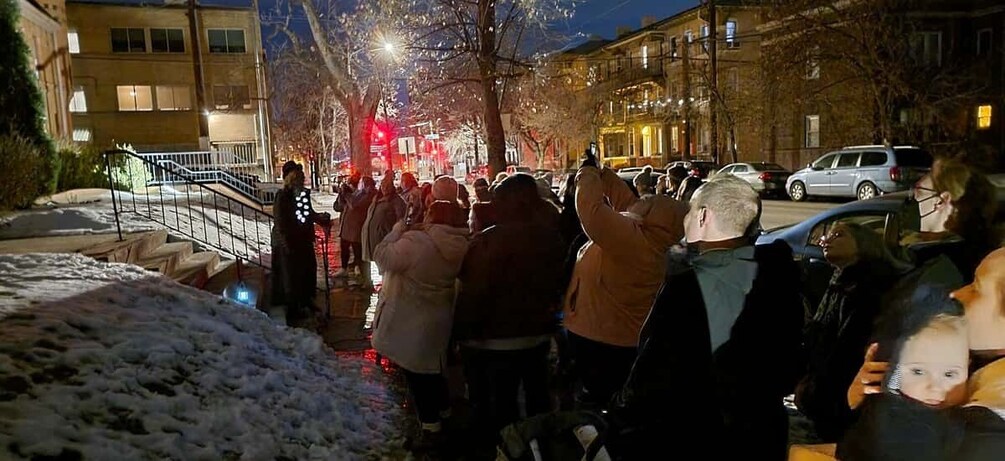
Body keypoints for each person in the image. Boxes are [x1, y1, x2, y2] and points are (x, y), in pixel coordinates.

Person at [607, 174, 804, 460]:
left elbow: (654, 375)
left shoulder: (688, 288)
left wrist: (619, 411)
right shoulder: (778, 277)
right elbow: (788, 363)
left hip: (699, 436)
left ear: (703, 216)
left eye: (688, 211)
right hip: (762, 434)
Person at [843, 250, 1005, 460]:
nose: (956, 294)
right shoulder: (984, 367)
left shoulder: (992, 415)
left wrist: (878, 406)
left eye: (976, 288)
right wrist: (871, 394)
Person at [453, 173, 566, 458]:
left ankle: (511, 451)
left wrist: (461, 335)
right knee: (538, 398)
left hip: (496, 341)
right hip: (538, 336)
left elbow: (473, 293)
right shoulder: (551, 238)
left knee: (503, 406)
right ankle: (542, 448)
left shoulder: (488, 242)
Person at [563, 153, 687, 408]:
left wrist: (586, 173)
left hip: (601, 339)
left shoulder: (633, 242)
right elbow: (628, 203)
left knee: (598, 401)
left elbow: (591, 212)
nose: (641, 201)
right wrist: (604, 175)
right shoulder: (653, 238)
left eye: (649, 202)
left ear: (653, 217)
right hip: (623, 338)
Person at [371, 201, 470, 452]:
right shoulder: (458, 245)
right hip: (436, 319)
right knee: (433, 372)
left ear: (432, 217)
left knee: (418, 379)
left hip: (410, 321)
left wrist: (395, 231)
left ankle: (431, 431)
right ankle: (445, 415)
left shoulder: (416, 243)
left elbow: (381, 256)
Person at [794, 222, 907, 441]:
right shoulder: (841, 280)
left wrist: (815, 392)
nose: (827, 240)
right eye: (828, 235)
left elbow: (844, 351)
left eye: (839, 235)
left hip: (844, 399)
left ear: (863, 245)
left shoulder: (865, 287)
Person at [906, 157, 998, 284]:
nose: (913, 196)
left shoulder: (932, 263)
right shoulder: (984, 254)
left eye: (918, 189)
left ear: (941, 201)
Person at [271, 161, 331, 326]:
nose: (301, 180)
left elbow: (307, 214)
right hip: (289, 243)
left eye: (301, 177)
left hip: (303, 241)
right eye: (297, 177)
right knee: (291, 275)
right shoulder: (282, 196)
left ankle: (306, 300)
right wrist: (286, 243)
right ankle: (294, 306)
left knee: (307, 270)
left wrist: (320, 218)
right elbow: (280, 222)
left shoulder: (302, 195)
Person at [360, 172, 407, 290]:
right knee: (369, 259)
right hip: (370, 235)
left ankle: (387, 285)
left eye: (387, 186)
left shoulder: (396, 201)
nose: (385, 188)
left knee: (383, 261)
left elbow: (401, 218)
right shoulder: (377, 198)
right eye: (383, 186)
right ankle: (369, 282)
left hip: (383, 236)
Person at [335, 175, 376, 278]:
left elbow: (354, 204)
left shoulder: (369, 195)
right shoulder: (358, 192)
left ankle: (360, 270)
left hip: (356, 226)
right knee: (344, 247)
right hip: (347, 226)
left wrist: (347, 194)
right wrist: (342, 194)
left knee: (357, 249)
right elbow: (342, 205)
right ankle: (345, 268)